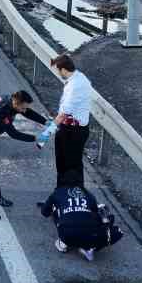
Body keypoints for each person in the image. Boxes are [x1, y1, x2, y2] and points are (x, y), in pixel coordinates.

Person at [0, 90, 47, 220]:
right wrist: (35, 138)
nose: (23, 111)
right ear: (16, 103)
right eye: (22, 108)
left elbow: (28, 112)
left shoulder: (13, 101)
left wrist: (46, 122)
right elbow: (14, 134)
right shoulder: (1, 111)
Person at [43, 54, 93, 190]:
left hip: (72, 132)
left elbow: (63, 114)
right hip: (73, 129)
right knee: (69, 164)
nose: (58, 73)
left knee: (68, 165)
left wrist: (47, 133)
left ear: (63, 69)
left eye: (58, 70)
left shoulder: (75, 86)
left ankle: (69, 197)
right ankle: (63, 195)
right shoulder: (79, 78)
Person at [39, 184, 123, 263]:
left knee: (59, 215)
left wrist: (51, 205)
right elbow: (97, 210)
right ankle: (89, 246)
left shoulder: (58, 192)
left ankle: (64, 242)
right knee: (104, 222)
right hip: (90, 233)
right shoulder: (88, 194)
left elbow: (45, 212)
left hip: (68, 232)